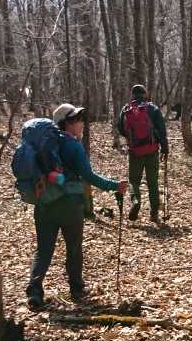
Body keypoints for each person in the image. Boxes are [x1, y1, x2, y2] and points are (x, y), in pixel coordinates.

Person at [28, 103, 125, 311]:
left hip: (44, 203)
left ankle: (34, 291)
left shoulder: (45, 145)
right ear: (66, 124)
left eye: (80, 119)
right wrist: (114, 185)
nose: (81, 124)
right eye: (76, 120)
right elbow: (89, 176)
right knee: (73, 246)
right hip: (69, 204)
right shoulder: (73, 146)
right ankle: (77, 288)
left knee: (43, 249)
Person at [115, 84, 168, 223]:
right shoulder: (153, 108)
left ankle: (136, 201)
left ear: (132, 95)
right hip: (152, 150)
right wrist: (165, 148)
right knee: (153, 183)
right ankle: (154, 214)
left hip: (135, 152)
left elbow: (121, 128)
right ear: (145, 94)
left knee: (134, 181)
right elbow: (162, 130)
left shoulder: (126, 109)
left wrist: (132, 139)